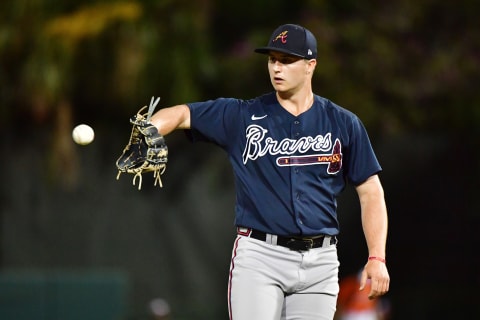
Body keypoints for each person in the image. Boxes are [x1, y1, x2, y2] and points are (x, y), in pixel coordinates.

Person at [148, 23, 390, 320]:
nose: (277, 67)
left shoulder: (343, 123)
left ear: (310, 66)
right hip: (261, 257)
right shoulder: (242, 115)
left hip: (320, 262)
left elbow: (370, 191)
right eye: (272, 59)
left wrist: (377, 257)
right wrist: (150, 130)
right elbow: (182, 113)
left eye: (287, 60)